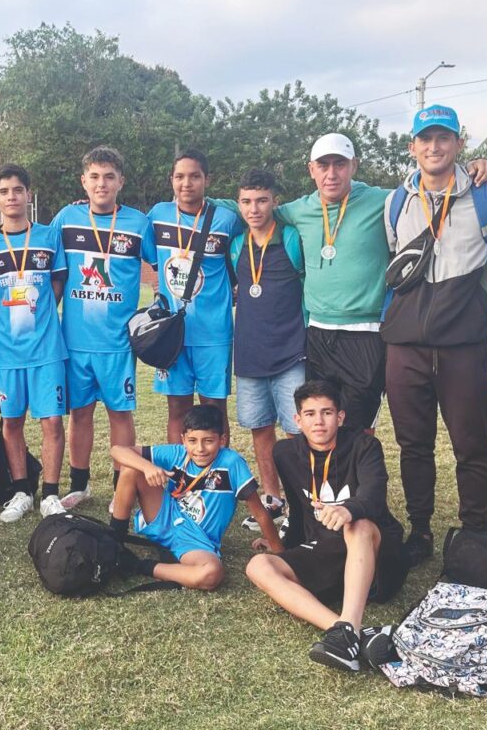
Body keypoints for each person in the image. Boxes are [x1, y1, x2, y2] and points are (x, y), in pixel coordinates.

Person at [215, 136, 487, 433]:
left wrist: (470, 167)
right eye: (323, 165)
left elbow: (430, 185)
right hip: (317, 333)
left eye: (340, 164)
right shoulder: (297, 209)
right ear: (311, 170)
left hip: (366, 332)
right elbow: (250, 207)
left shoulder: (383, 200)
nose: (331, 173)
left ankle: (362, 465)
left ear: (354, 165)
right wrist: (197, 200)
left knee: (359, 426)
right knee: (322, 424)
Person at [382, 105, 487, 565]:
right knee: (413, 445)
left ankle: (475, 531)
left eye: (443, 138)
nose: (434, 147)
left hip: (464, 345)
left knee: (472, 444)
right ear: (412, 147)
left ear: (459, 143)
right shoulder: (397, 201)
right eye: (425, 139)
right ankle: (420, 530)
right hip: (406, 346)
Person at [245, 380, 408, 673]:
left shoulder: (364, 446)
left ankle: (349, 626)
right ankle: (348, 633)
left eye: (327, 413)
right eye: (310, 414)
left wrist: (348, 510)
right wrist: (281, 547)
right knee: (258, 566)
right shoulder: (285, 452)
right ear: (298, 420)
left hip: (375, 551)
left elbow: (373, 496)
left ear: (340, 417)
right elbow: (298, 509)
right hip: (326, 549)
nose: (318, 421)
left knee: (357, 525)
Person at [45, 146, 156, 509]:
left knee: (119, 413)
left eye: (109, 177)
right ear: (83, 181)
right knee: (80, 413)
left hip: (118, 343)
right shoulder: (67, 218)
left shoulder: (138, 224)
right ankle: (80, 485)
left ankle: (122, 484)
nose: (101, 184)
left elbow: (162, 264)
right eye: (94, 176)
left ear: (121, 181)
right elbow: (37, 247)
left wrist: (159, 305)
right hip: (75, 341)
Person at [109, 404, 281, 590]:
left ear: (222, 440)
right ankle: (113, 544)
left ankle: (135, 565)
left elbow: (259, 513)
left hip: (194, 541)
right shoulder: (177, 453)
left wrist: (278, 551)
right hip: (165, 517)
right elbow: (117, 450)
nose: (200, 448)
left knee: (211, 573)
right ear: (183, 439)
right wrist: (147, 467)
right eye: (192, 440)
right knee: (131, 468)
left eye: (208, 441)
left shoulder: (232, 463)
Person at [0, 165, 69, 522]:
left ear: (28, 195)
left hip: (47, 348)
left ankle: (50, 494)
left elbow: (57, 283)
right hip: (7, 350)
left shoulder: (49, 236)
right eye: (4, 192)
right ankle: (21, 491)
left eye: (18, 190)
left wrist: (40, 315)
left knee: (52, 422)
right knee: (12, 421)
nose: (12, 197)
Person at [229, 168, 305, 529]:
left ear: (275, 201)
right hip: (249, 352)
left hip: (290, 351)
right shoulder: (236, 245)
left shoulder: (290, 239)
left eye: (261, 200)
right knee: (260, 428)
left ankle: (303, 504)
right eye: (246, 201)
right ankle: (273, 499)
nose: (254, 209)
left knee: (297, 431)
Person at [148, 149, 240, 443]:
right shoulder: (157, 215)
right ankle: (180, 468)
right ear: (171, 180)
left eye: (194, 176)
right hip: (173, 334)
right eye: (179, 176)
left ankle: (218, 469)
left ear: (207, 180)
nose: (186, 183)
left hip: (214, 332)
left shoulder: (227, 219)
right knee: (177, 409)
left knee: (215, 409)